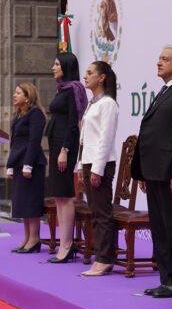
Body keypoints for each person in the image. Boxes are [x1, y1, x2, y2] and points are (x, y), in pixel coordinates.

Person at [132, 46, 172, 298]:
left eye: (165, 59)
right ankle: (165, 277)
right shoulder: (166, 89)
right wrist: (142, 171)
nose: (158, 62)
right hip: (153, 170)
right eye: (158, 58)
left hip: (170, 171)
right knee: (159, 226)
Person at [44, 52, 88, 264]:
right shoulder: (62, 89)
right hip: (56, 145)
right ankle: (63, 243)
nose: (53, 68)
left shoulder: (73, 90)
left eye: (57, 64)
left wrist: (65, 150)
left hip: (65, 146)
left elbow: (73, 124)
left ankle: (67, 245)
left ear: (67, 67)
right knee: (59, 196)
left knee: (66, 195)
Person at [78, 61, 119, 276]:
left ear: (101, 77)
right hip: (88, 161)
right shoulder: (92, 103)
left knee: (102, 213)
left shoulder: (108, 104)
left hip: (100, 163)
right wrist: (80, 165)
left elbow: (105, 138)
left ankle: (105, 258)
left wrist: (97, 168)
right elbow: (85, 139)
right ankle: (100, 255)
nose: (85, 76)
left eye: (90, 73)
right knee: (94, 211)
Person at [7, 83, 47, 254]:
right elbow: (14, 142)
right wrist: (10, 165)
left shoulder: (35, 114)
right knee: (22, 203)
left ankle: (35, 238)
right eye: (14, 92)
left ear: (28, 97)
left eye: (18, 93)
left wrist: (28, 165)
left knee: (31, 202)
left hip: (32, 164)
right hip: (18, 163)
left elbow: (33, 141)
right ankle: (26, 237)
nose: (14, 95)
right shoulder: (17, 116)